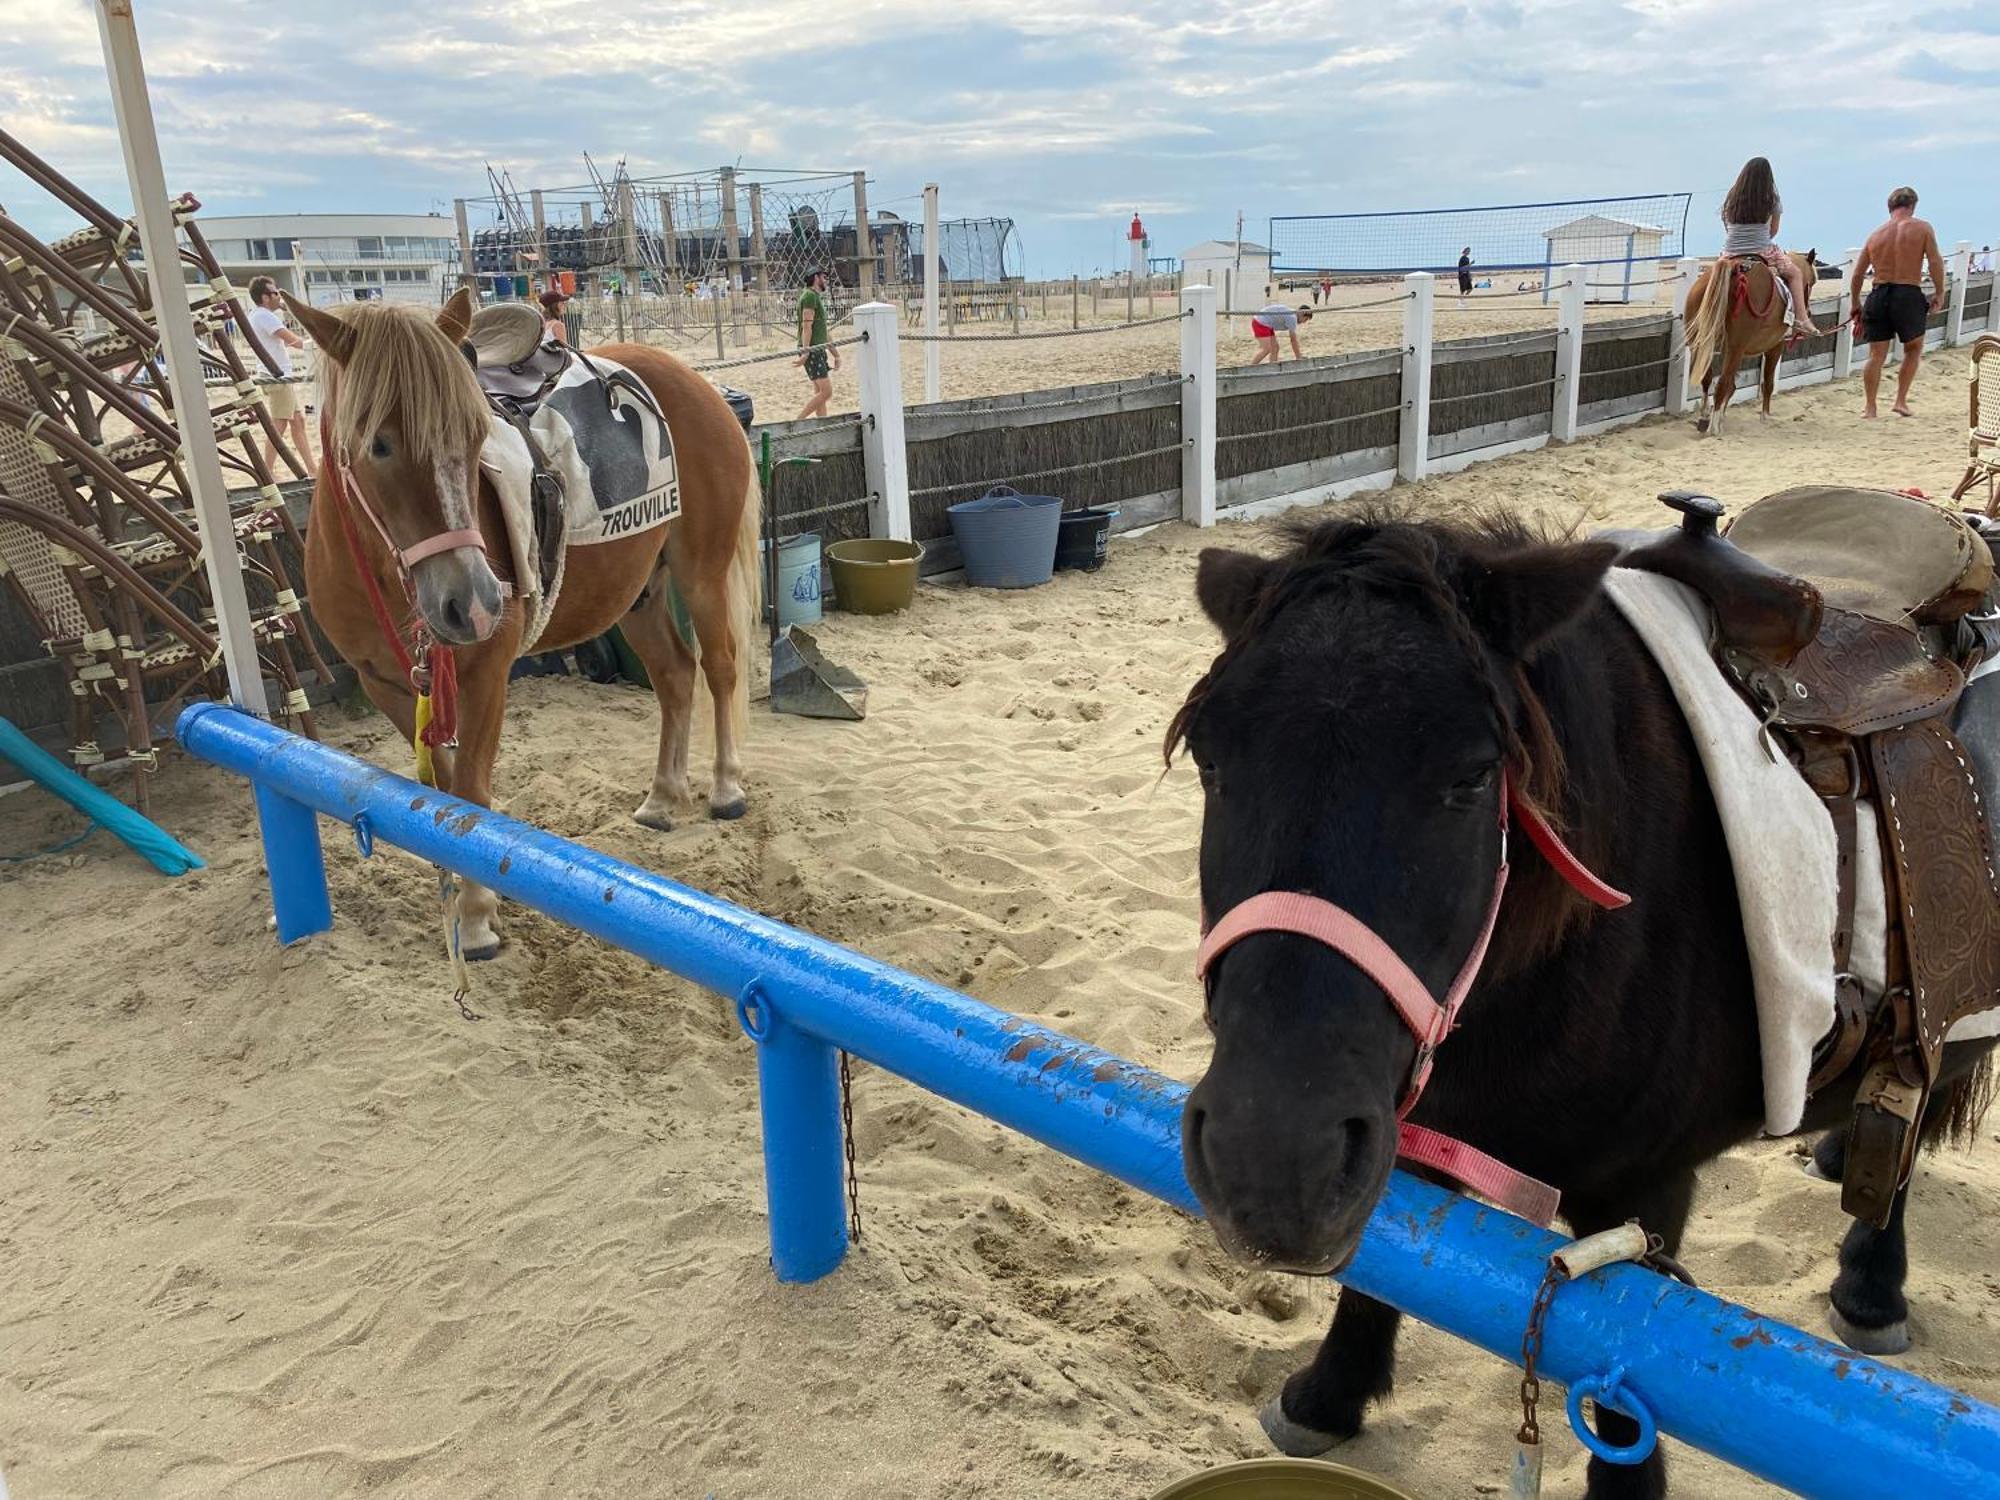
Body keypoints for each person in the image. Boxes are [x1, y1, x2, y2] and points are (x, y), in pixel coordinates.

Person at [1850, 185, 1947, 419]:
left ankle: (1870, 407)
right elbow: (1935, 262)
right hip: (1907, 293)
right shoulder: (1922, 228)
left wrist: (1855, 303)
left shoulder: (1876, 235)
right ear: (1912, 206)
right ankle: (1900, 402)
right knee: (1913, 349)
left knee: (1876, 355)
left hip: (1879, 293)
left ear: (1889, 207)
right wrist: (1940, 292)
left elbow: (1857, 274)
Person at [1719, 157, 1821, 337]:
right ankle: (1801, 319)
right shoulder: (1771, 199)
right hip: (1761, 250)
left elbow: (1726, 225)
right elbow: (1773, 231)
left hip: (1730, 252)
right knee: (1795, 274)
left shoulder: (1731, 198)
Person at [242, 275, 314, 477]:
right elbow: (294, 341)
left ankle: (311, 468)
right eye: (274, 293)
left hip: (280, 376)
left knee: (297, 421)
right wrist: (319, 344)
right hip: (277, 376)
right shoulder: (264, 316)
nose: (278, 296)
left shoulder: (259, 315)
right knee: (279, 426)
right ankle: (267, 471)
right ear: (265, 297)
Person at [795, 267, 840, 418]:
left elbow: (823, 331)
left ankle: (822, 423)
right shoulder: (809, 296)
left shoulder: (814, 296)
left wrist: (836, 354)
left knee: (819, 392)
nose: (826, 280)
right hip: (813, 349)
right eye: (824, 277)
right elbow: (806, 326)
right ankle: (798, 421)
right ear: (816, 278)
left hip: (816, 348)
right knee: (827, 392)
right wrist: (806, 351)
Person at [1247, 302, 1312, 365]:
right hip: (1261, 322)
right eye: (1305, 319)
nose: (1304, 322)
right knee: (1267, 349)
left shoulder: (1292, 313)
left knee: (1275, 348)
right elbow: (1293, 340)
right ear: (1301, 314)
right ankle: (1250, 368)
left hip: (1266, 323)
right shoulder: (1292, 318)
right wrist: (1298, 357)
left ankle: (1273, 367)